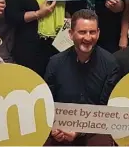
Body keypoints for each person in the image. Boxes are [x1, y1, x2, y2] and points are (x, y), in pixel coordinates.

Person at [46, 9, 118, 146]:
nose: (88, 37)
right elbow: (48, 103)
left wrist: (79, 130)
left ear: (98, 33)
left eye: (92, 32)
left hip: (95, 127)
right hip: (61, 127)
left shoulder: (110, 64)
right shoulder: (55, 63)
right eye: (82, 32)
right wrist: (55, 128)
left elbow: (106, 108)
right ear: (71, 34)